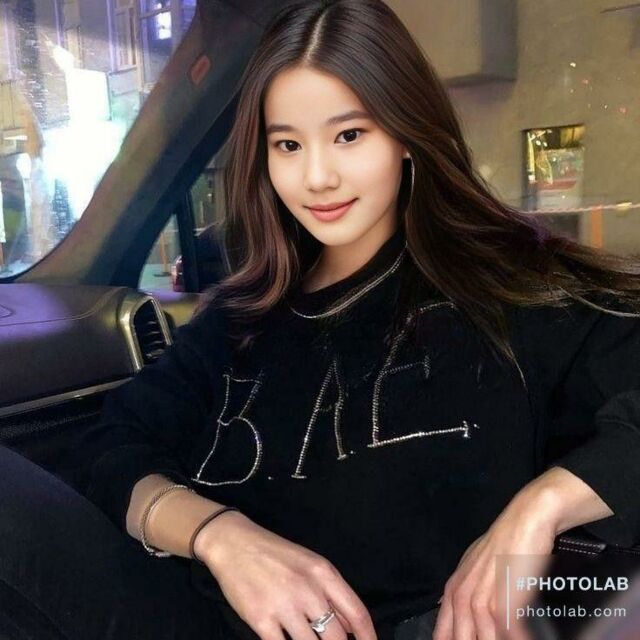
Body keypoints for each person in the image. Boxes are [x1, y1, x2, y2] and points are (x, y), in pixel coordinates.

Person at [1, 1, 640, 639]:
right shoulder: (238, 317)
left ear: (406, 133)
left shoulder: (513, 289)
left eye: (349, 135)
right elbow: (110, 449)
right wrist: (220, 536)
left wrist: (540, 507)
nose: (316, 177)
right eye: (288, 144)